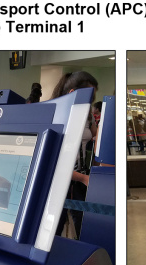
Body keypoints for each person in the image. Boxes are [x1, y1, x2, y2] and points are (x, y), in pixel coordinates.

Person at [49, 71, 98, 238]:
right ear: (72, 93)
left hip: (81, 177)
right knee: (55, 225)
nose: (92, 102)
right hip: (63, 179)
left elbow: (96, 135)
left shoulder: (87, 115)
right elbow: (55, 162)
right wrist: (83, 178)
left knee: (83, 224)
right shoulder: (57, 116)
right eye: (90, 96)